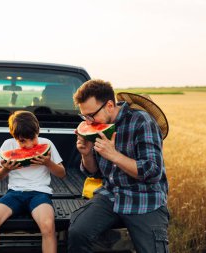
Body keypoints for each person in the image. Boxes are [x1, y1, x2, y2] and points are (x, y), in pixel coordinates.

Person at [68, 79, 170, 253]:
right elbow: (94, 172)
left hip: (144, 198)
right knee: (78, 233)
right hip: (111, 194)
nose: (89, 121)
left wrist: (114, 155)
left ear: (109, 105)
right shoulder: (99, 126)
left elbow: (152, 171)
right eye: (85, 117)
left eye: (91, 115)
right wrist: (86, 154)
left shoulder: (142, 122)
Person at [0, 110, 66, 253]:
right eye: (22, 141)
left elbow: (62, 174)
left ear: (38, 130)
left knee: (48, 225)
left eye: (32, 139)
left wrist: (48, 163)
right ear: (13, 136)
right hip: (14, 193)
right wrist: (6, 169)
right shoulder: (8, 145)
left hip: (40, 193)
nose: (28, 145)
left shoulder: (47, 144)